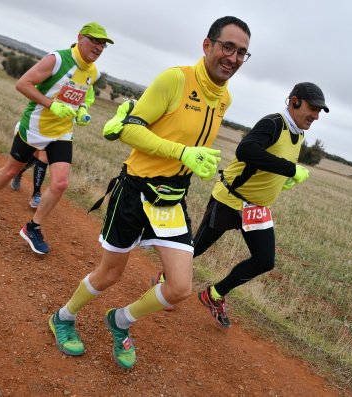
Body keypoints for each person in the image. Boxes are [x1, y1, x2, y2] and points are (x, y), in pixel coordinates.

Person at [48, 16, 251, 370]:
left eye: (242, 53)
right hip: (134, 193)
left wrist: (193, 160)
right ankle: (63, 317)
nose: (233, 58)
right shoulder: (175, 79)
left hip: (172, 200)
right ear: (208, 45)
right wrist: (182, 153)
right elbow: (129, 129)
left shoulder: (225, 99)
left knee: (179, 288)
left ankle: (120, 321)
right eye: (227, 47)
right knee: (109, 275)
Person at [158, 82, 329, 328]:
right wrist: (290, 169)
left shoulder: (299, 133)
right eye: (313, 109)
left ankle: (214, 295)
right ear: (294, 102)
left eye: (319, 112)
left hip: (257, 209)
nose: (315, 116)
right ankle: (165, 281)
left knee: (264, 260)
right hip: (230, 200)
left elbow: (271, 162)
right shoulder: (273, 123)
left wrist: (283, 180)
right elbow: (246, 151)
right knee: (197, 248)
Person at [0, 22, 111, 255]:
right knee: (11, 171)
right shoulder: (56, 59)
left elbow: (86, 94)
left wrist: (84, 109)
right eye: (95, 41)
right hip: (35, 127)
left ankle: (33, 227)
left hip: (62, 133)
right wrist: (51, 105)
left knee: (60, 183)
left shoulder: (93, 72)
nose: (99, 47)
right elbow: (22, 84)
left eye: (103, 44)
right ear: (80, 38)